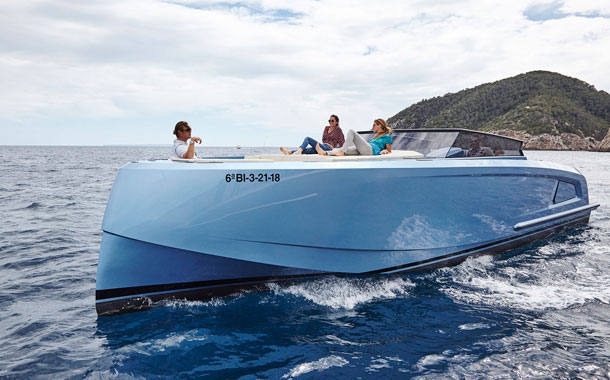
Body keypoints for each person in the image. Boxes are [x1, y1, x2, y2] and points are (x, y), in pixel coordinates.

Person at [317, 119, 392, 156]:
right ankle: (325, 153)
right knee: (346, 150)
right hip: (365, 150)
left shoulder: (387, 137)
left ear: (380, 125)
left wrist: (384, 151)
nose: (373, 127)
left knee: (351, 131)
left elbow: (389, 150)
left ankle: (341, 152)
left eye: (374, 125)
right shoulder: (376, 136)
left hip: (371, 150)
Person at [280, 115, 345, 155]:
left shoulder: (338, 129)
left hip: (328, 148)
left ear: (336, 122)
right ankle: (289, 152)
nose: (330, 122)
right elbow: (323, 139)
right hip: (322, 146)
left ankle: (299, 151)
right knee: (306, 150)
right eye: (329, 120)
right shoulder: (326, 128)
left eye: (332, 121)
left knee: (308, 138)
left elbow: (342, 142)